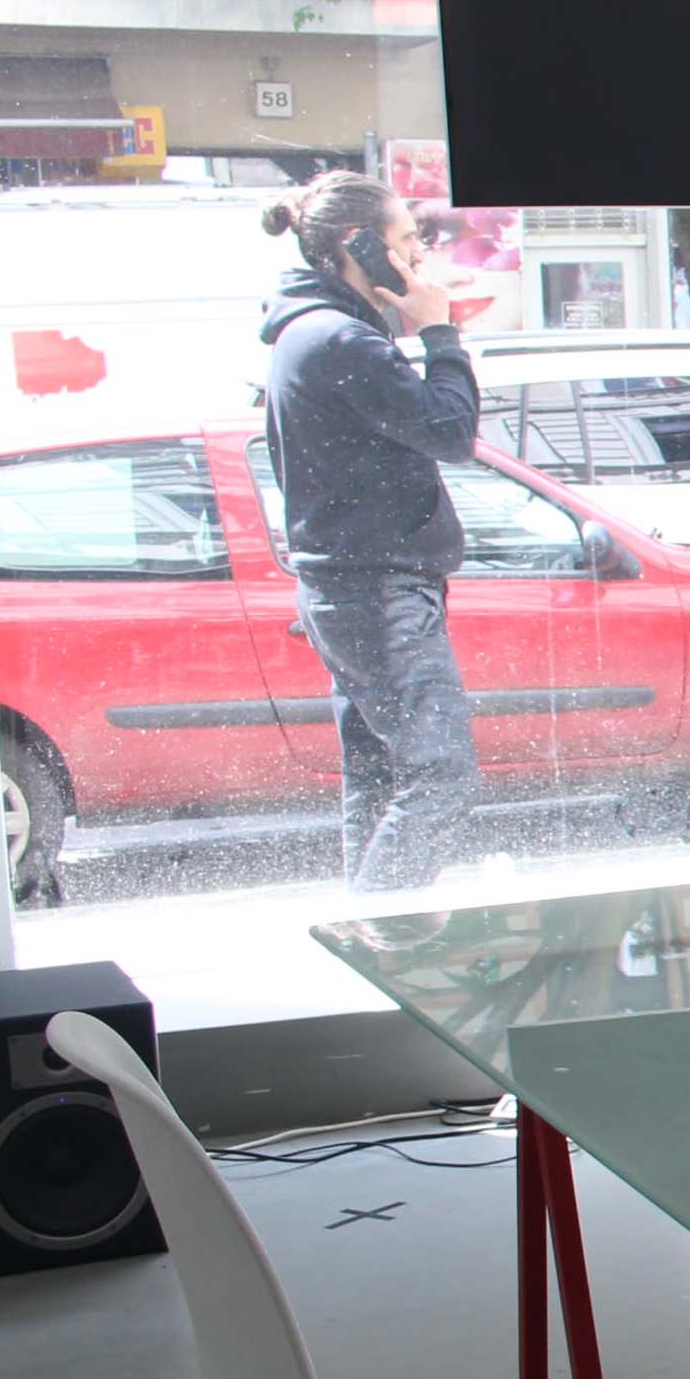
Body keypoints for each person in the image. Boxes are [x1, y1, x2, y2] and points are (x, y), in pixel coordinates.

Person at [259, 172, 481, 894]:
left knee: (381, 779)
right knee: (440, 778)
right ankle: (381, 929)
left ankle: (373, 936)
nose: (419, 260)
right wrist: (440, 332)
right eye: (408, 242)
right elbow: (451, 430)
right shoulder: (340, 340)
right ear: (361, 247)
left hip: (353, 586)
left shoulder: (314, 332)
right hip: (377, 590)